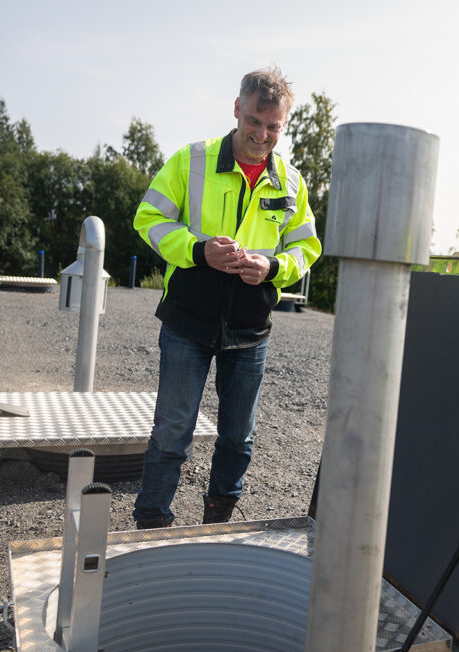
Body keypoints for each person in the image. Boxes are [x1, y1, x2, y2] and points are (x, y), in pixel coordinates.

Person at [131, 67, 321, 529]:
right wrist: (198, 251)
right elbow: (148, 218)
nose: (262, 134)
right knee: (173, 431)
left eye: (273, 126)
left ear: (283, 125)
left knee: (239, 438)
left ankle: (217, 522)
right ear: (237, 110)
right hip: (187, 322)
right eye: (255, 121)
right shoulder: (189, 160)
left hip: (250, 329)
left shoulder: (291, 183)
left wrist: (272, 267)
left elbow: (308, 248)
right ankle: (152, 522)